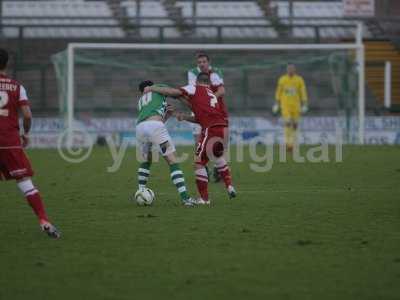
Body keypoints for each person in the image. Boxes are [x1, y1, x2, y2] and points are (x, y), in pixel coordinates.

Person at [144, 73, 236, 205]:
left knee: (198, 163)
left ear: (197, 81)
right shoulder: (210, 94)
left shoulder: (195, 88)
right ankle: (229, 186)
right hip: (223, 128)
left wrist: (152, 88)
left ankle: (204, 199)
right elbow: (200, 117)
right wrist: (184, 117)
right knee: (217, 157)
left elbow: (173, 92)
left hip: (211, 129)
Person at [0, 48, 60, 238]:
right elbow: (26, 114)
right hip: (9, 141)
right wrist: (25, 133)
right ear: (7, 63)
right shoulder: (17, 86)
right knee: (25, 182)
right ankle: (44, 220)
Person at [134, 80, 195, 207]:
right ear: (151, 86)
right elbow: (174, 93)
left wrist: (166, 115)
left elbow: (153, 119)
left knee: (146, 160)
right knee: (172, 161)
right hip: (155, 126)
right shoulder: (157, 88)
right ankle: (185, 198)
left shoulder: (141, 101)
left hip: (140, 128)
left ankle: (141, 190)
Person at [187, 52, 228, 183]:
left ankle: (218, 167)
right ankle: (203, 170)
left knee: (218, 142)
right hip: (199, 111)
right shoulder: (192, 73)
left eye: (204, 61)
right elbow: (193, 91)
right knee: (198, 141)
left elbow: (221, 90)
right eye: (199, 62)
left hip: (214, 112)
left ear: (209, 62)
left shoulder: (216, 72)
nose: (202, 64)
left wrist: (209, 101)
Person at [273, 63, 309, 151]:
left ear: (294, 70)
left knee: (295, 125)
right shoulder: (282, 79)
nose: (290, 70)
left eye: (292, 69)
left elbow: (303, 91)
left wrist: (305, 103)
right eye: (289, 69)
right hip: (285, 105)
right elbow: (279, 92)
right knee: (288, 122)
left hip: (296, 105)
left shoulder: (299, 79)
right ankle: (288, 143)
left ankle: (294, 143)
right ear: (287, 70)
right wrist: (276, 103)